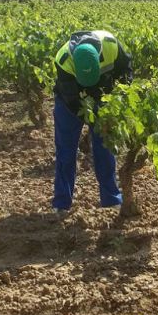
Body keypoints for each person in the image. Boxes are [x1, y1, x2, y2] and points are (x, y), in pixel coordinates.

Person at [52, 30, 133, 214]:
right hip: (69, 103)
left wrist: (119, 100)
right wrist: (91, 120)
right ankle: (61, 204)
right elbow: (71, 100)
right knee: (66, 150)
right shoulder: (64, 59)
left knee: (105, 147)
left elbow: (126, 70)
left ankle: (111, 199)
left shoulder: (111, 45)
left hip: (104, 99)